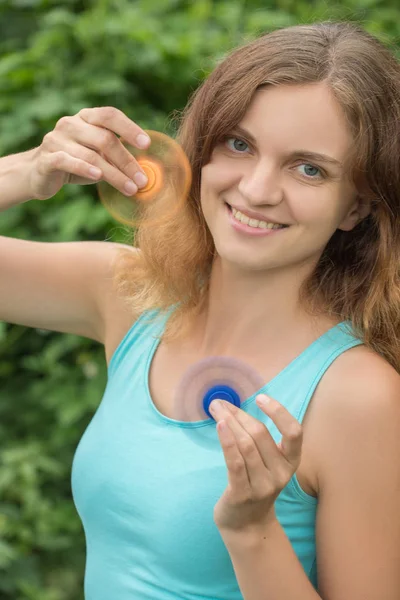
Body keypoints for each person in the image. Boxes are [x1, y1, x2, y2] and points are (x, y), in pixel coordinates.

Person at [1, 19, 399, 600]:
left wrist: (252, 532)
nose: (258, 189)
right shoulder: (133, 296)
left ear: (355, 207)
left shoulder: (359, 397)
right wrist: (26, 171)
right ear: (200, 154)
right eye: (239, 144)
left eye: (308, 167)